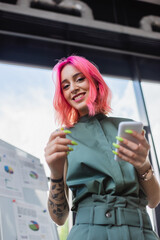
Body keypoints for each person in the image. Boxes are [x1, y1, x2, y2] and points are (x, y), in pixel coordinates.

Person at [44, 55, 160, 240]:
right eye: (65, 86)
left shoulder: (128, 127)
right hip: (89, 233)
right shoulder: (63, 138)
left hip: (141, 231)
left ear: (95, 82)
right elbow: (59, 218)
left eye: (79, 79)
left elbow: (154, 201)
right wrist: (55, 173)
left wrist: (143, 165)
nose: (73, 88)